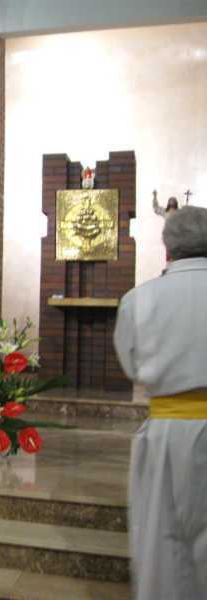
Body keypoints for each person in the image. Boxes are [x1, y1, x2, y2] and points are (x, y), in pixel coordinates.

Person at [113, 205, 207, 600]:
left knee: (163, 545)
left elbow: (131, 363)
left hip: (166, 433)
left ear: (167, 248)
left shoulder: (140, 299)